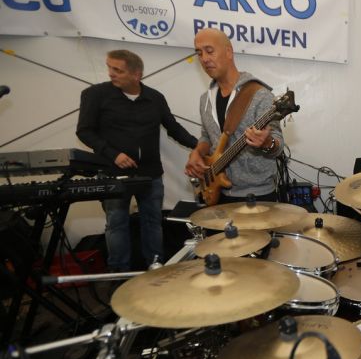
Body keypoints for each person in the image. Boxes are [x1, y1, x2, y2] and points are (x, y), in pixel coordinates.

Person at [77, 49, 198, 271]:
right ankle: (118, 275)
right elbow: (84, 131)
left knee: (153, 223)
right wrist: (113, 154)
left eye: (118, 70)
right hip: (113, 175)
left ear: (136, 75)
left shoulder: (155, 98)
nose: (111, 73)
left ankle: (155, 269)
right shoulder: (95, 94)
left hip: (150, 174)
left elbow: (173, 128)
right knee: (116, 225)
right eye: (110, 67)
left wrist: (200, 147)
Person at [184, 28, 284, 202]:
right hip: (218, 194)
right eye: (199, 53)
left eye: (209, 51)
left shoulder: (260, 94)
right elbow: (207, 136)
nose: (204, 59)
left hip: (256, 197)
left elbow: (278, 145)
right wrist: (197, 152)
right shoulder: (205, 99)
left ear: (229, 52)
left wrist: (267, 143)